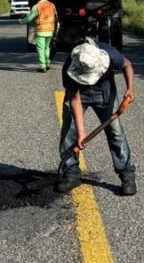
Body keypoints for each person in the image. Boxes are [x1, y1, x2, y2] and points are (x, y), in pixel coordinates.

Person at [57, 38, 136, 196]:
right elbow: (74, 99)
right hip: (79, 95)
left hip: (104, 94)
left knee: (116, 132)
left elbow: (127, 65)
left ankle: (127, 175)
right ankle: (71, 173)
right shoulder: (70, 65)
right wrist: (81, 132)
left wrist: (130, 88)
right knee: (69, 132)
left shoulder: (110, 54)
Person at [20, 0, 57, 72]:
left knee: (41, 49)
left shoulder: (37, 6)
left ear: (38, 0)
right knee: (47, 48)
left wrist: (21, 21)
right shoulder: (52, 5)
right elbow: (56, 16)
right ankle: (47, 63)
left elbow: (29, 18)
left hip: (41, 31)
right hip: (50, 30)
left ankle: (42, 66)